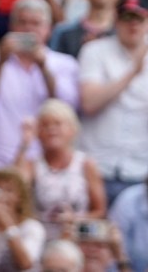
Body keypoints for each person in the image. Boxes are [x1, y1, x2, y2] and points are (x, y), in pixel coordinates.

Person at [0, 0, 81, 174]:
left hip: (46, 169)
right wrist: (1, 62)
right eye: (23, 22)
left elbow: (68, 109)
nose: (28, 29)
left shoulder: (65, 64)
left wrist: (44, 68)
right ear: (11, 26)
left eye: (36, 23)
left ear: (48, 29)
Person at [78, 0, 148, 202]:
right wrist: (134, 71)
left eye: (139, 19)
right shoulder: (94, 51)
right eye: (127, 18)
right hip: (96, 165)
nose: (133, 25)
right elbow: (90, 103)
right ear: (116, 20)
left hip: (140, 168)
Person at [15, 99, 106, 240]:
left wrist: (75, 218)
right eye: (45, 125)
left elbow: (99, 211)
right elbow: (16, 188)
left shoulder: (86, 164)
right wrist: (25, 143)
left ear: (72, 130)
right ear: (38, 133)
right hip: (40, 240)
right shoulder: (32, 164)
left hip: (75, 240)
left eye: (57, 124)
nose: (51, 129)